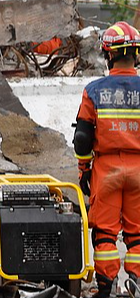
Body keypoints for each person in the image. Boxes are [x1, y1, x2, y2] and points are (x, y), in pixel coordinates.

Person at [74, 21, 140, 298]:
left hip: (107, 170)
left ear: (108, 54)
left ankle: (106, 287)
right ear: (136, 54)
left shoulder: (94, 90)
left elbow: (82, 139)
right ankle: (137, 282)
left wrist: (84, 170)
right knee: (137, 235)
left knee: (104, 234)